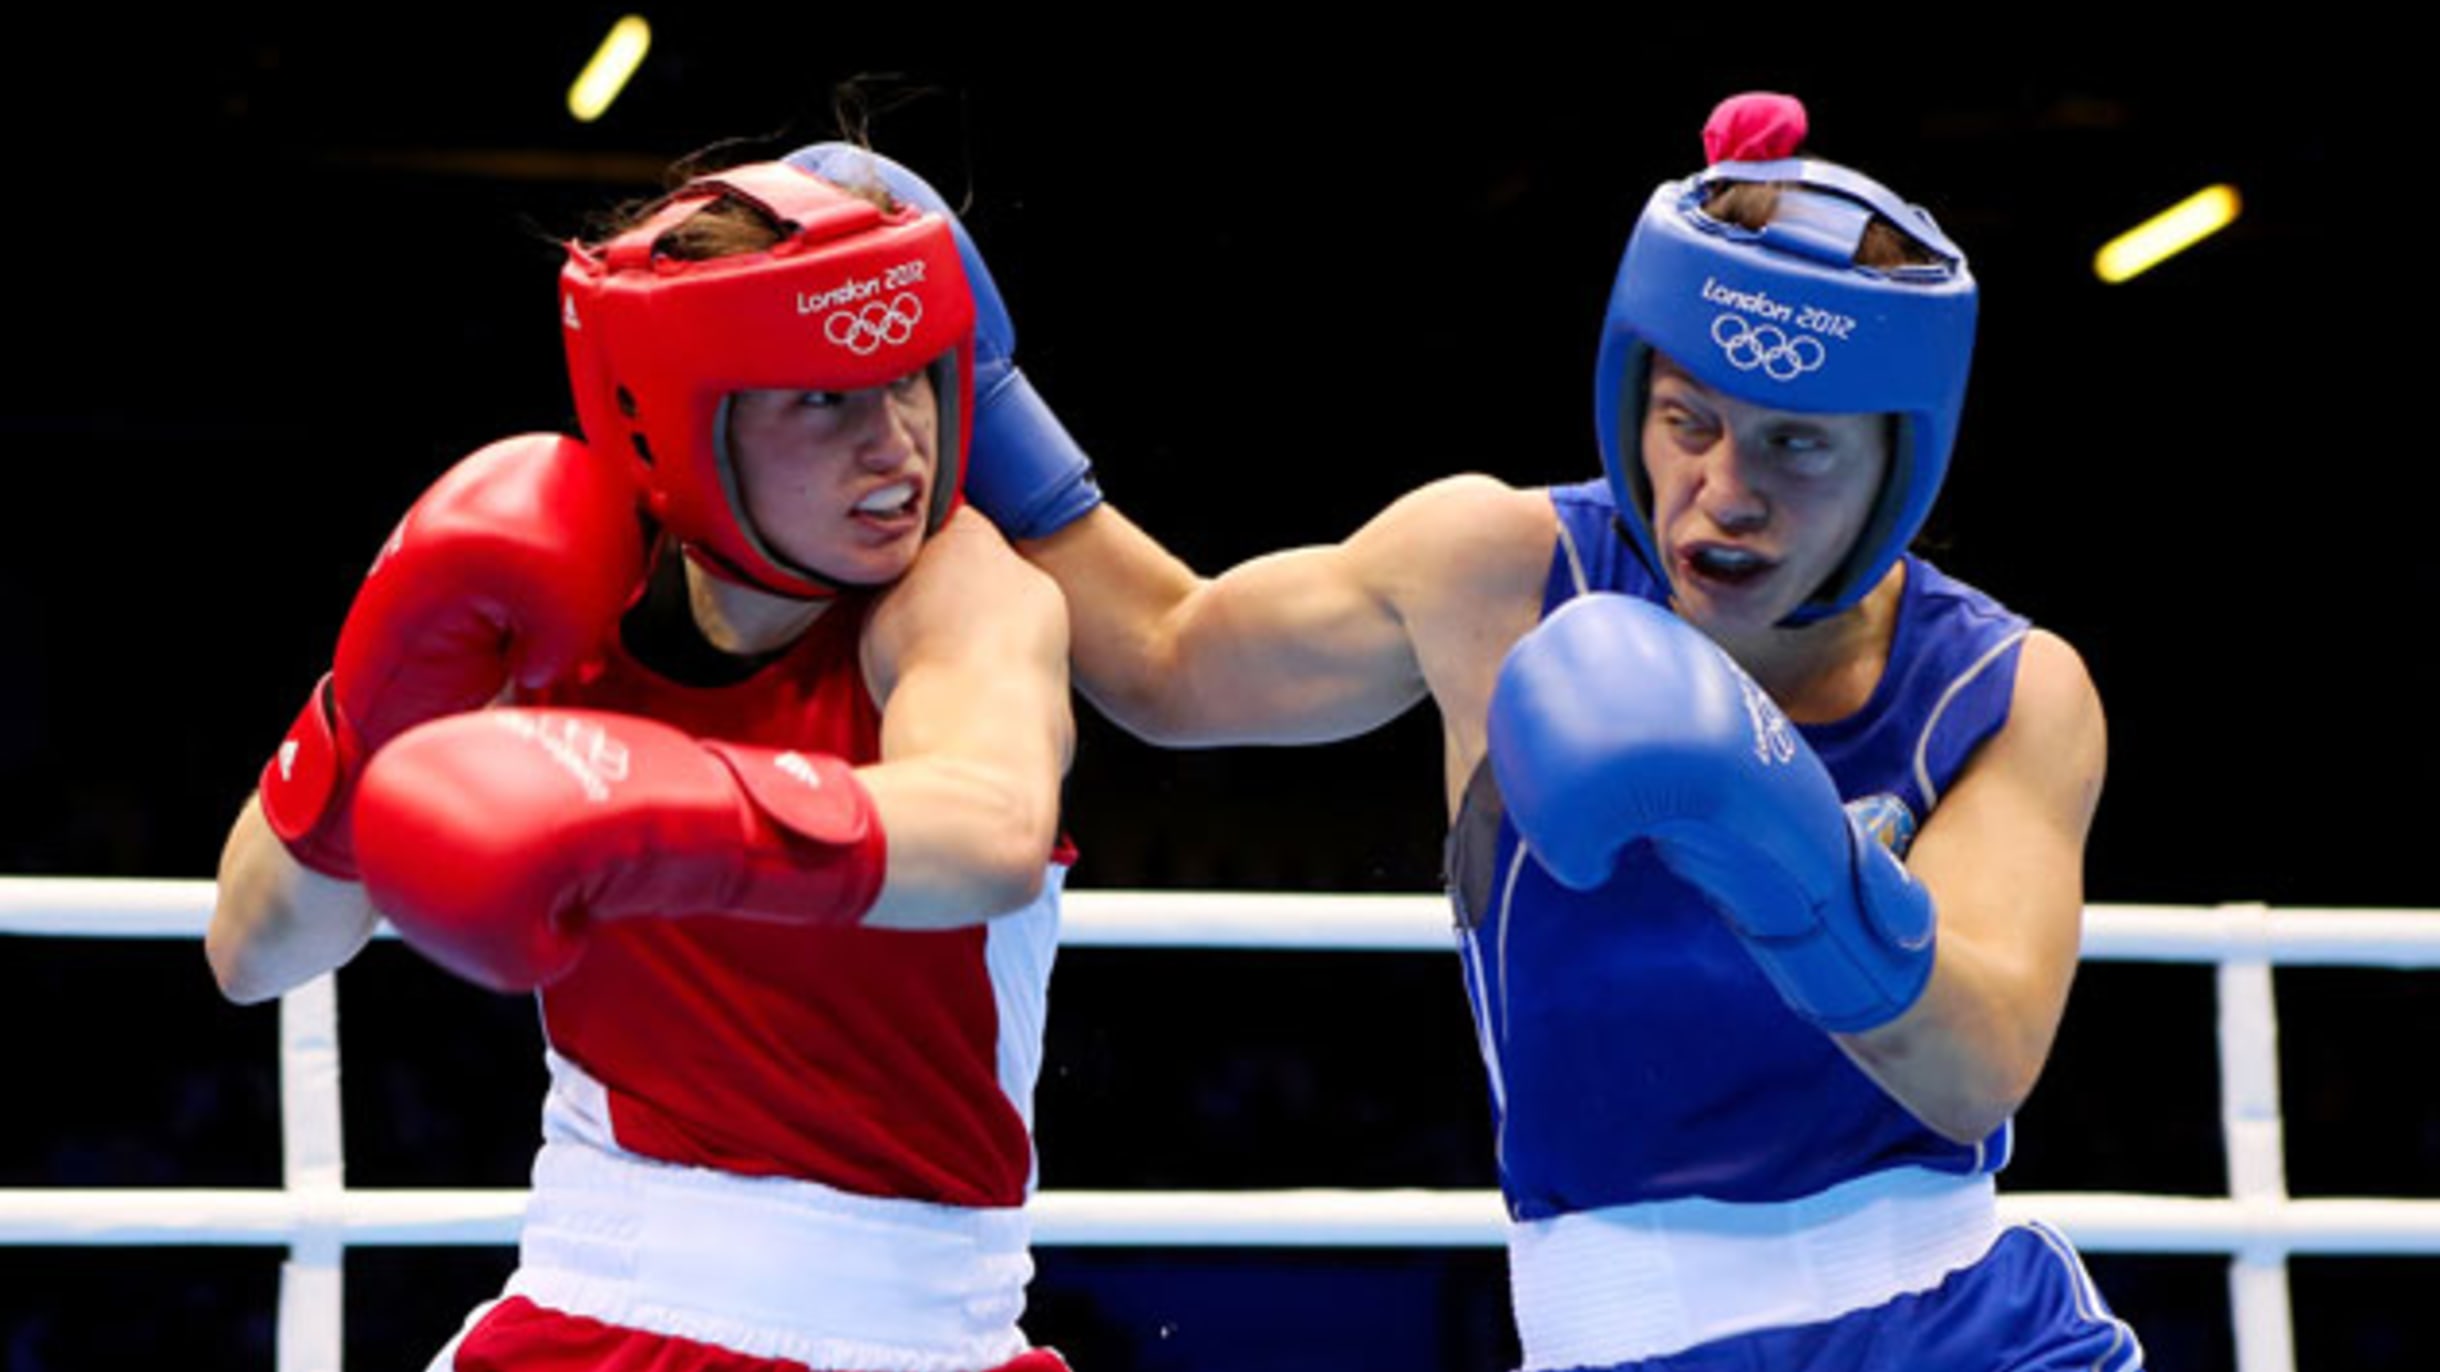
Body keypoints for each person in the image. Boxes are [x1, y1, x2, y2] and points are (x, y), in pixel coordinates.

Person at [877, 92, 2142, 1370]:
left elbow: (1978, 1064)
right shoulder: (1491, 570)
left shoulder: (2003, 686)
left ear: (1897, 461)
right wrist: (980, 384)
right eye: (1688, 422)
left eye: (1799, 446)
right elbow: (1165, 660)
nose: (1727, 492)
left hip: (1966, 1326)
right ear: (1632, 390)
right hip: (1620, 1336)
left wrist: (1779, 835)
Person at [207, 155, 1077, 1372]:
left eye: (911, 381)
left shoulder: (956, 591)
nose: (899, 447)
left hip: (906, 1337)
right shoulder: (544, 601)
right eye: (822, 400)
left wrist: (651, 804)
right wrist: (380, 689)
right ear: (677, 415)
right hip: (580, 1308)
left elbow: (986, 826)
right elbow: (255, 954)